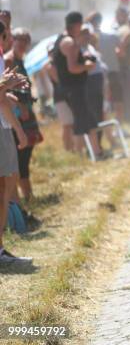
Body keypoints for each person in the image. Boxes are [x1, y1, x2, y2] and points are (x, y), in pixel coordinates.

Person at [0, 23, 31, 264]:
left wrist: (7, 88)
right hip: (2, 126)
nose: (10, 40)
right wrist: (19, 131)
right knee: (5, 187)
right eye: (8, 35)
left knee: (6, 186)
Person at [53, 11, 102, 157]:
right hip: (75, 87)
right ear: (76, 25)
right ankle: (86, 153)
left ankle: (91, 152)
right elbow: (73, 68)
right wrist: (87, 65)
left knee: (85, 120)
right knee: (84, 120)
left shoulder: (62, 39)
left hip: (69, 87)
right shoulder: (70, 43)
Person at [4, 28, 43, 201]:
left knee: (25, 157)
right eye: (18, 38)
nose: (22, 43)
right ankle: (22, 201)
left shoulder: (20, 60)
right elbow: (5, 89)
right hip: (14, 115)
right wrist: (20, 105)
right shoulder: (9, 60)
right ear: (12, 39)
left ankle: (27, 198)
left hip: (25, 113)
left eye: (25, 40)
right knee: (19, 160)